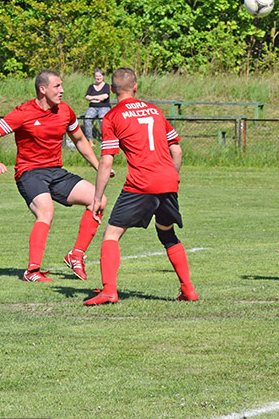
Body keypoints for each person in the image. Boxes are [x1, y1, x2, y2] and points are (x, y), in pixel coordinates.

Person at [84, 67, 198, 305]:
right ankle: (188, 289)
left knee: (111, 235)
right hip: (168, 180)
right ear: (136, 86)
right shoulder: (155, 111)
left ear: (113, 90)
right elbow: (176, 148)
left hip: (141, 182)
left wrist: (97, 197)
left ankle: (109, 290)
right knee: (167, 232)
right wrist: (172, 177)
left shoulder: (113, 116)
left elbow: (106, 160)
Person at [0, 70, 107, 282]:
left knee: (99, 200)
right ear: (43, 89)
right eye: (57, 86)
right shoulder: (23, 112)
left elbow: (80, 140)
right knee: (46, 211)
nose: (62, 90)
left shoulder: (65, 111)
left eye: (62, 85)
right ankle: (32, 271)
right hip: (29, 173)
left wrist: (98, 166)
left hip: (56, 172)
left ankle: (76, 255)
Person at [84, 68, 111, 145]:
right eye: (96, 76)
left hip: (104, 106)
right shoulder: (91, 87)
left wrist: (93, 98)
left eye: (100, 76)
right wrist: (97, 99)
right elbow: (87, 97)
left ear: (103, 76)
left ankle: (104, 140)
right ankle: (90, 141)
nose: (98, 78)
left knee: (102, 119)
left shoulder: (106, 86)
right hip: (92, 107)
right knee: (87, 119)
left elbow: (105, 96)